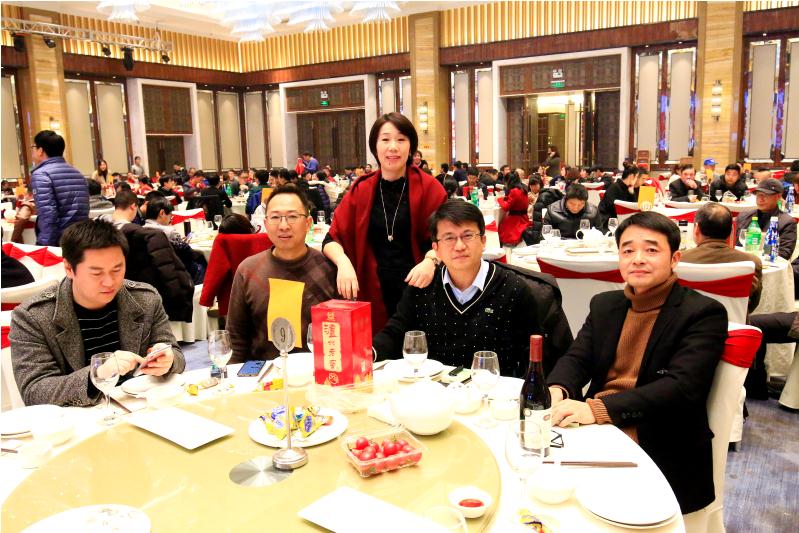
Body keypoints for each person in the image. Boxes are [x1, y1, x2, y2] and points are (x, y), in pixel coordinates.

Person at [546, 211, 727, 514]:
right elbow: (577, 358)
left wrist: (597, 410)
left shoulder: (703, 313)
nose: (638, 259)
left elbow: (682, 388)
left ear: (675, 258)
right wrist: (557, 389)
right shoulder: (605, 305)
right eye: (628, 251)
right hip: (598, 429)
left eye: (651, 250)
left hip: (659, 438)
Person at [9, 219, 185, 406]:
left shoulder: (145, 299)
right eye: (96, 273)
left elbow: (177, 356)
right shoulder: (33, 317)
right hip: (77, 418)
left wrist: (168, 360)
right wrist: (98, 374)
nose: (109, 282)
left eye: (117, 269)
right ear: (69, 268)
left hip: (140, 408)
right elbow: (34, 391)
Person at [372, 200, 546, 377]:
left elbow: (536, 351)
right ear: (436, 249)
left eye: (468, 235)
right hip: (433, 388)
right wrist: (367, 354)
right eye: (449, 238)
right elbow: (395, 333)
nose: (459, 246)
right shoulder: (423, 286)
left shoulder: (513, 289)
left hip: (490, 390)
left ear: (483, 241)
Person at [323, 112, 447, 331]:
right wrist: (343, 262)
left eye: (401, 140)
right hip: (372, 288)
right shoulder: (361, 189)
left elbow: (446, 239)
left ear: (411, 147)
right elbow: (331, 239)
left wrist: (431, 261)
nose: (393, 147)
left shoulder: (429, 188)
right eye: (385, 139)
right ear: (375, 146)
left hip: (420, 285)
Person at [226, 186, 337, 362]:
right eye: (275, 217)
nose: (283, 226)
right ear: (265, 223)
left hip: (319, 372)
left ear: (308, 223)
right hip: (265, 374)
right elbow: (236, 338)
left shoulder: (329, 268)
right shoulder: (248, 270)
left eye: (292, 217)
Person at [681, 202, 762, 313]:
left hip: (689, 321)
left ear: (697, 229)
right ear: (731, 230)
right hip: (733, 322)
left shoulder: (679, 260)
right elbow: (752, 304)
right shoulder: (751, 262)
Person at [30, 130, 89, 246]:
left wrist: (45, 246)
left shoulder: (41, 174)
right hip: (80, 238)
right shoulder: (77, 172)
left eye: (33, 147)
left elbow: (48, 215)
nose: (32, 150)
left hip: (60, 241)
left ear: (40, 150)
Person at [736, 178, 797, 260]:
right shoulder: (744, 216)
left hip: (769, 264)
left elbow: (784, 254)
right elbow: (738, 245)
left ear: (778, 196)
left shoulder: (787, 222)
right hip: (744, 262)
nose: (760, 199)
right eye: (758, 195)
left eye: (765, 195)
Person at [497, 172, 531, 246]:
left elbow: (506, 207)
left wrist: (499, 199)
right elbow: (516, 200)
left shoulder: (514, 191)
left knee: (500, 226)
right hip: (524, 217)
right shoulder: (523, 188)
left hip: (516, 220)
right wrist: (506, 198)